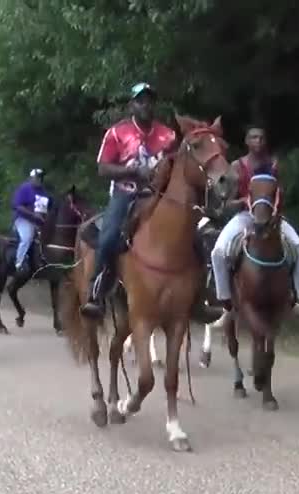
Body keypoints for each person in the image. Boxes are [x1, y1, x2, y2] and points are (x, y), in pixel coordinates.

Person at [79, 82, 223, 324]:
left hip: (161, 195)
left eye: (149, 100)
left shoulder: (168, 136)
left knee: (197, 237)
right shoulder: (117, 133)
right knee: (109, 236)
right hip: (125, 193)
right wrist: (133, 172)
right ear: (132, 105)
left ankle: (200, 299)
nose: (146, 105)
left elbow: (182, 167)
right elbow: (103, 168)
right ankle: (97, 293)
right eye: (140, 100)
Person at [210, 126, 299, 326]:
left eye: (262, 138)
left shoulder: (275, 165)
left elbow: (282, 194)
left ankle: (295, 300)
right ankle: (226, 305)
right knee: (218, 251)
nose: (258, 141)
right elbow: (225, 202)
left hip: (273, 218)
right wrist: (243, 202)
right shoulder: (237, 167)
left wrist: (273, 210)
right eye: (254, 137)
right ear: (247, 142)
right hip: (245, 216)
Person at [10, 168, 51, 272]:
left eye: (40, 178)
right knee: (27, 237)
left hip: (39, 222)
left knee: (49, 238)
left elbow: (47, 208)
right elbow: (17, 206)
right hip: (23, 219)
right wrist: (33, 215)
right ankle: (19, 262)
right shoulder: (24, 189)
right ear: (31, 178)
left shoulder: (44, 192)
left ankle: (43, 261)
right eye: (37, 178)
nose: (39, 180)